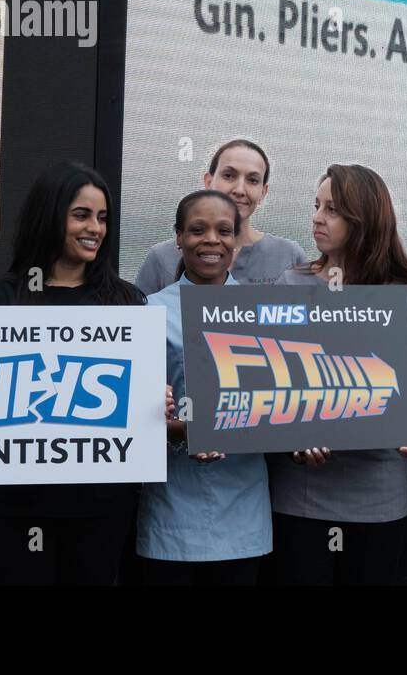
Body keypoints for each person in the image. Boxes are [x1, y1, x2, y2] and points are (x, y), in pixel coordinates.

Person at [0, 162, 155, 584]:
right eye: (81, 215)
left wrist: (155, 403)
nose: (95, 227)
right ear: (50, 215)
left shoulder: (127, 302)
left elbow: (137, 406)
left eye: (102, 217)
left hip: (99, 508)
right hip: (13, 507)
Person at [267, 165, 407, 585]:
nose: (317, 217)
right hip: (300, 497)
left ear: (364, 221)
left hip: (380, 499)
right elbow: (269, 384)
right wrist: (292, 436)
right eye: (316, 205)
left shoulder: (404, 296)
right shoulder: (289, 285)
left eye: (333, 210)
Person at [136, 190, 273, 585]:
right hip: (172, 505)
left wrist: (308, 432)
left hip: (243, 506)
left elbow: (285, 401)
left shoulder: (267, 312)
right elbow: (136, 416)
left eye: (224, 231)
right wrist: (181, 430)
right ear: (178, 237)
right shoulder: (147, 312)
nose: (212, 240)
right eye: (197, 229)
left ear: (236, 240)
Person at [134, 138, 305, 295]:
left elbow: (305, 323)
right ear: (208, 181)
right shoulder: (162, 257)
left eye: (252, 180)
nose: (239, 189)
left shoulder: (288, 256)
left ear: (263, 192)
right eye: (229, 176)